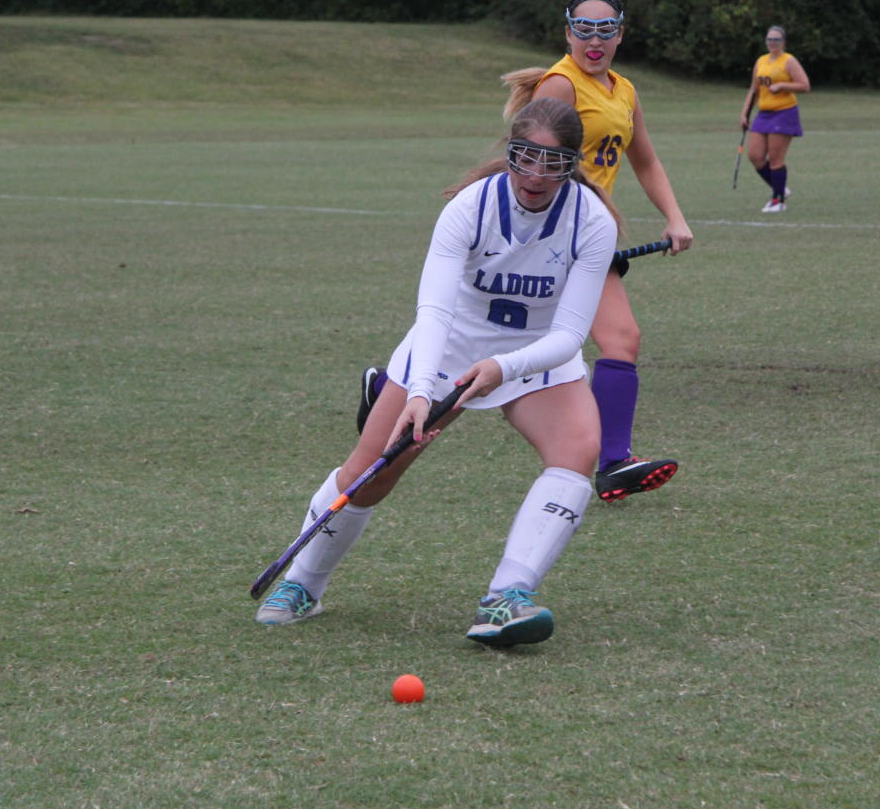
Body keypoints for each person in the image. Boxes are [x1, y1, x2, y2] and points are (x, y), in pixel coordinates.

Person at [257, 98, 621, 647]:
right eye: (526, 157)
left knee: (578, 450)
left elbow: (570, 336)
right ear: (510, 152)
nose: (537, 176)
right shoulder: (469, 208)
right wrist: (422, 390)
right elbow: (434, 312)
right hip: (449, 348)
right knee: (372, 471)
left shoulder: (592, 221)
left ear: (572, 165)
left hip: (536, 354)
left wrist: (503, 367)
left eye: (554, 163)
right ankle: (303, 583)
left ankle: (507, 598)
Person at [358, 0, 694, 505]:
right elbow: (527, 158)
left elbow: (644, 159)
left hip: (585, 239)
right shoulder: (561, 86)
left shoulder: (623, 90)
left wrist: (674, 217)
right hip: (548, 236)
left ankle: (612, 461)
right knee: (483, 351)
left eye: (607, 29)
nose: (595, 39)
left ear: (621, 34)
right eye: (584, 28)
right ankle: (392, 392)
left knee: (622, 339)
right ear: (568, 33)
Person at [739, 25, 811, 213]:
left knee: (776, 158)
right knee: (755, 156)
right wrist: (745, 114)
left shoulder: (789, 61)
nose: (772, 43)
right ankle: (779, 187)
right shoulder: (761, 61)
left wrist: (782, 85)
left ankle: (778, 200)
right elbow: (754, 89)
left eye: (776, 40)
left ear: (783, 42)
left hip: (784, 112)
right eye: (769, 39)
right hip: (763, 114)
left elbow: (804, 85)